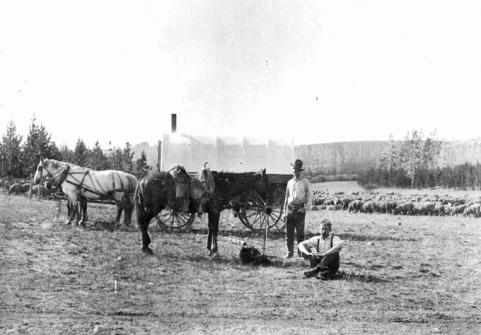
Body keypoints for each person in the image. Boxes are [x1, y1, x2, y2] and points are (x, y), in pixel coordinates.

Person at [283, 159, 312, 258]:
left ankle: (301, 253)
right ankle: (289, 252)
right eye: (294, 169)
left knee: (300, 233)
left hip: (300, 209)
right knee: (289, 233)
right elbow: (286, 197)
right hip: (290, 209)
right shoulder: (289, 182)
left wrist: (305, 208)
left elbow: (309, 196)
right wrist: (284, 212)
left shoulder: (305, 182)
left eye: (297, 169)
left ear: (300, 170)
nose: (295, 171)